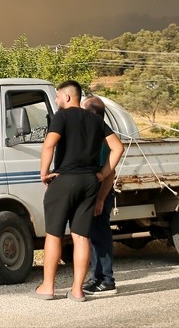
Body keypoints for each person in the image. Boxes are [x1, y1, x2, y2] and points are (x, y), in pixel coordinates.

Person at [35, 80, 125, 302]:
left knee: (54, 234)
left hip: (66, 179)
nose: (56, 101)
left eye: (57, 97)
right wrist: (103, 174)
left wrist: (44, 172)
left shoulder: (62, 116)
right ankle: (77, 290)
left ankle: (48, 287)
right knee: (81, 237)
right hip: (89, 182)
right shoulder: (95, 120)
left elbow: (49, 144)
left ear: (66, 97)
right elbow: (118, 148)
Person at [83, 96, 118, 295]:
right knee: (93, 237)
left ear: (93, 113)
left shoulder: (104, 136)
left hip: (101, 193)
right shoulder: (96, 133)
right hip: (96, 193)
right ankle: (96, 278)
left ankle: (106, 280)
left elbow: (109, 172)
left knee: (101, 237)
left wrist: (100, 199)